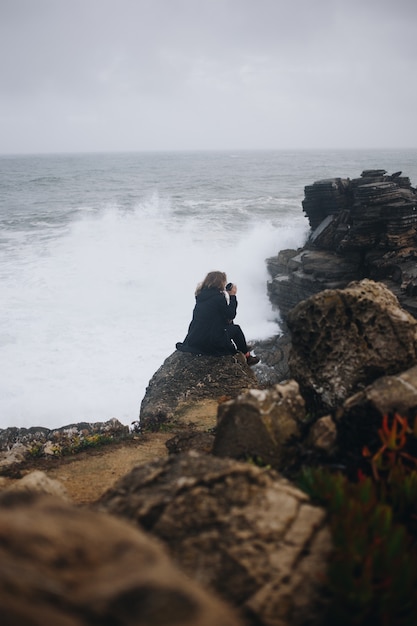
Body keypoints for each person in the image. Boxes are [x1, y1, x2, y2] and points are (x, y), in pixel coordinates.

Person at [176, 270, 260, 366]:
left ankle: (242, 347)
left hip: (196, 337)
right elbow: (231, 314)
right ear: (220, 282)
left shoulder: (201, 295)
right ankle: (247, 356)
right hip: (210, 340)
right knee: (236, 329)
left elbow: (218, 315)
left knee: (228, 323)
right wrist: (232, 296)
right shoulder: (218, 298)